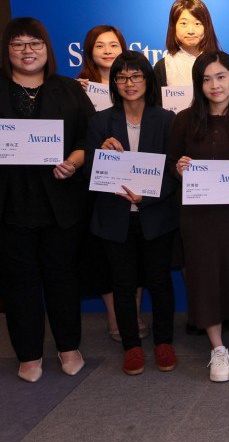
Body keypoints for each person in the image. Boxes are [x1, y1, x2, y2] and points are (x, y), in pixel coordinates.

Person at [0, 18, 94, 383]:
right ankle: (29, 354)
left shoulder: (68, 89)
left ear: (47, 48)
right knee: (19, 280)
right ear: (7, 50)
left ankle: (69, 346)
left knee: (61, 277)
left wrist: (73, 161)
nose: (27, 51)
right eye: (18, 44)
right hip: (10, 203)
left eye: (34, 43)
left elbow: (92, 138)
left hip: (61, 201)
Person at [86, 51, 179, 376]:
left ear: (147, 80)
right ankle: (132, 347)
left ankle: (164, 342)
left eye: (136, 76)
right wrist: (103, 156)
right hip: (115, 217)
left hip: (155, 216)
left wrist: (148, 196)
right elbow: (91, 177)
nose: (129, 83)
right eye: (122, 77)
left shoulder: (166, 119)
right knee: (123, 284)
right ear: (114, 83)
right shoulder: (100, 121)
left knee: (159, 280)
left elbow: (174, 170)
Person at [169, 51, 229, 382]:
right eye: (206, 79)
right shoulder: (183, 120)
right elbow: (172, 163)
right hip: (199, 216)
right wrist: (178, 169)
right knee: (204, 277)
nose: (214, 85)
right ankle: (217, 349)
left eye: (221, 77)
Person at [74, 24, 148, 343]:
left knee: (139, 250)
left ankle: (132, 312)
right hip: (99, 184)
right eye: (99, 45)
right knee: (105, 255)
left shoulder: (136, 86)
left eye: (113, 44)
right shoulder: (78, 89)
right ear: (88, 51)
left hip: (137, 183)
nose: (107, 50)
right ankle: (115, 316)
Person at [154, 0, 222, 87]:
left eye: (197, 23)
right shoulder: (164, 66)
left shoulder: (222, 62)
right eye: (184, 23)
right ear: (173, 27)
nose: (191, 31)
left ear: (207, 26)